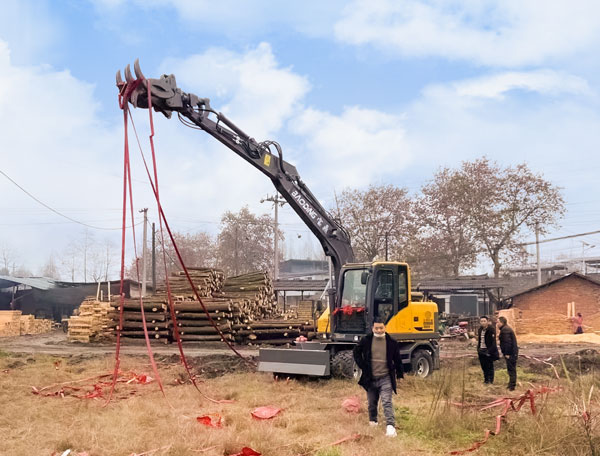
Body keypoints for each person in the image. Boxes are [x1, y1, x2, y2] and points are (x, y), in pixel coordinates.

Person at [353, 317, 404, 437]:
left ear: (385, 328)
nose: (379, 330)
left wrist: (400, 374)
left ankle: (390, 427)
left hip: (386, 377)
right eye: (377, 328)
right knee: (372, 403)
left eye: (381, 328)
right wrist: (363, 366)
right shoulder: (366, 340)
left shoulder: (392, 342)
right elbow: (356, 352)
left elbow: (397, 359)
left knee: (387, 401)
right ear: (372, 328)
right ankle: (373, 422)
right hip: (370, 378)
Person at [498, 316, 518, 391]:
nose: (497, 324)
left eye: (498, 322)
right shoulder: (505, 329)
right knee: (511, 369)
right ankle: (511, 384)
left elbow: (507, 343)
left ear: (502, 322)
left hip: (510, 353)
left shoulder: (505, 330)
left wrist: (507, 353)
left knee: (511, 369)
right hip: (512, 353)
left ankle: (512, 386)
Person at [477, 316, 499, 384]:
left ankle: (490, 381)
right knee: (483, 366)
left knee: (489, 366)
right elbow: (480, 340)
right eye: (481, 321)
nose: (483, 323)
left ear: (487, 321)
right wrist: (478, 349)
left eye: (484, 321)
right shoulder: (480, 329)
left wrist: (489, 351)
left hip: (488, 350)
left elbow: (493, 342)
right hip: (481, 350)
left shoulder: (491, 329)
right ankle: (486, 380)